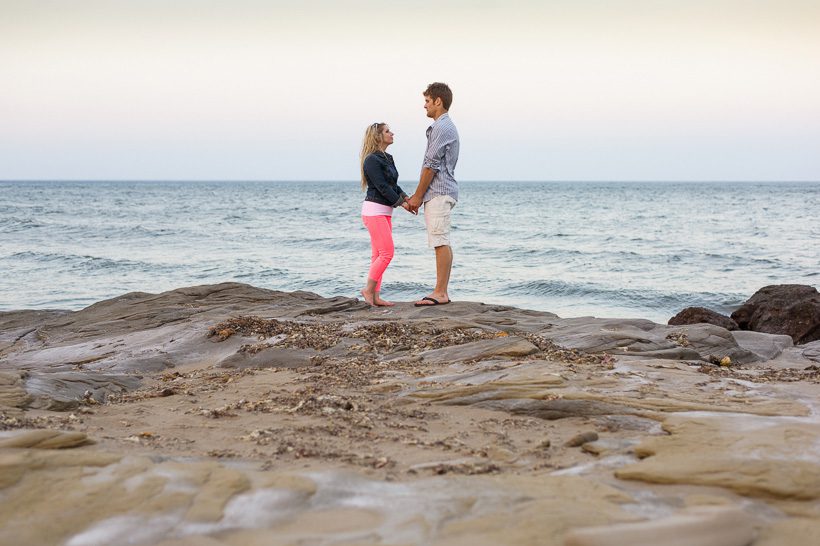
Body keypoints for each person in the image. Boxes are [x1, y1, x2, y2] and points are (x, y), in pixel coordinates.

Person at [407, 82, 460, 306]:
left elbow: (431, 165)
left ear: (438, 101)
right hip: (439, 191)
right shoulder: (441, 127)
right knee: (440, 240)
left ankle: (440, 292)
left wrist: (417, 197)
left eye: (427, 101)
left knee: (440, 240)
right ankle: (441, 290)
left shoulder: (442, 127)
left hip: (439, 191)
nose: (424, 106)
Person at [359, 122, 415, 307]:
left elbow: (393, 185)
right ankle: (368, 289)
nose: (392, 133)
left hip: (385, 212)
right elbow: (382, 187)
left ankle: (375, 295)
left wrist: (406, 198)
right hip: (373, 211)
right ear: (377, 136)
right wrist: (402, 205)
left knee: (378, 255)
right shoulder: (371, 160)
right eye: (387, 131)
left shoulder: (387, 158)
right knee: (387, 253)